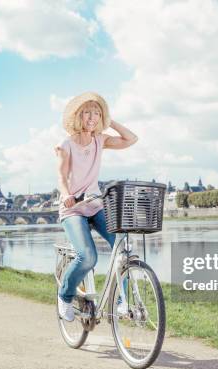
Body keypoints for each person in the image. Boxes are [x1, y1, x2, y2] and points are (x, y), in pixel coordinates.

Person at [55, 92, 138, 322]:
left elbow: (131, 139)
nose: (92, 117)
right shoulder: (65, 144)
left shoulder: (100, 140)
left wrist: (110, 122)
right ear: (77, 115)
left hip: (94, 204)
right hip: (72, 208)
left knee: (122, 248)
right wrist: (66, 195)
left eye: (97, 112)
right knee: (88, 257)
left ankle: (123, 302)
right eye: (87, 112)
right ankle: (65, 295)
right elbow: (61, 178)